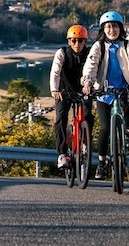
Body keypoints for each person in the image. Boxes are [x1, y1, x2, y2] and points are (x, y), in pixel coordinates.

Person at [81, 11, 129, 180]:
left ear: (121, 28)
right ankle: (102, 163)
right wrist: (88, 82)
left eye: (115, 26)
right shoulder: (98, 46)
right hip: (104, 92)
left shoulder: (127, 45)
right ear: (103, 29)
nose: (112, 30)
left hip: (123, 88)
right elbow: (91, 65)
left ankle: (128, 133)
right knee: (104, 128)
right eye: (108, 27)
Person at [50, 24, 94, 169]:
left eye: (80, 41)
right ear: (68, 41)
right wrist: (54, 90)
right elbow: (55, 72)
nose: (77, 44)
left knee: (88, 116)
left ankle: (85, 143)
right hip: (63, 91)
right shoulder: (62, 52)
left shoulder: (90, 54)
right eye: (73, 40)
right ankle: (62, 154)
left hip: (83, 91)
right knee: (61, 118)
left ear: (85, 41)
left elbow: (94, 71)